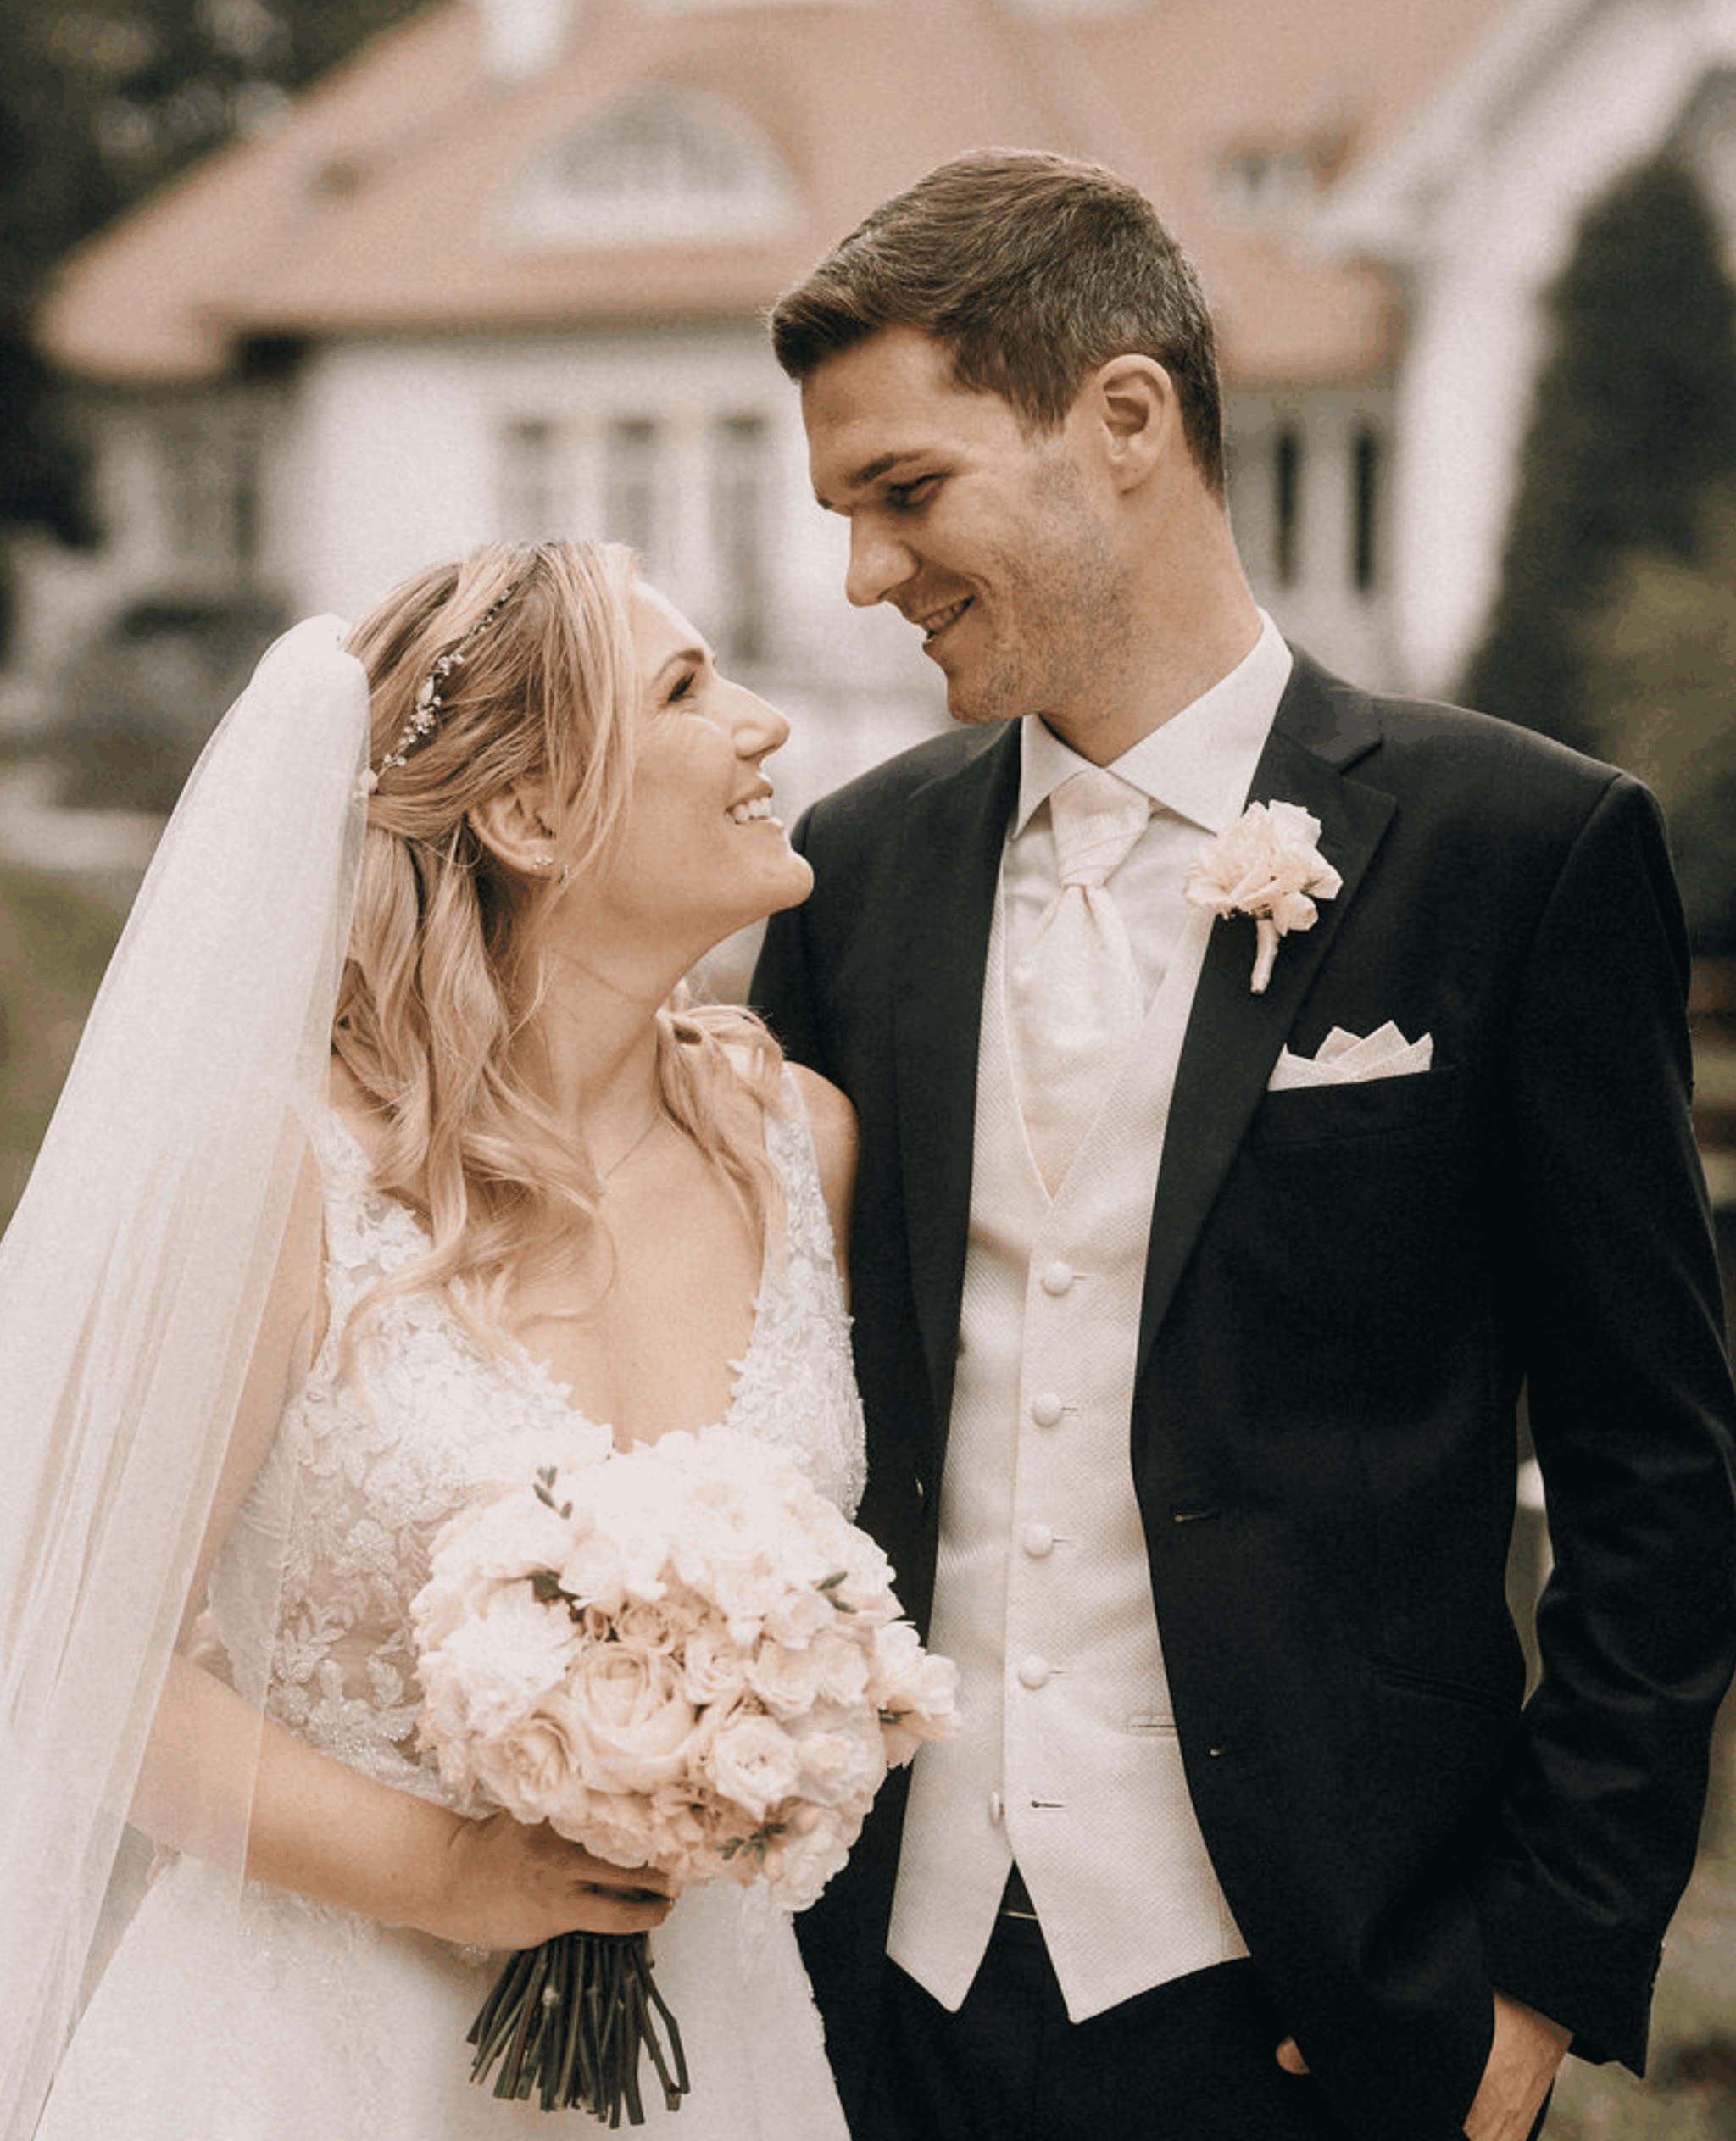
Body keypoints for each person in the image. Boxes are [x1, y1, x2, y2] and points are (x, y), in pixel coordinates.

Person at [749, 148, 1736, 2141]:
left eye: (906, 491)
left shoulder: (1516, 854)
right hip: (874, 1998)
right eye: (844, 512)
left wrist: (1535, 1968)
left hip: (1316, 2014)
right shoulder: (846, 876)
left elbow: (1656, 1464)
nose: (865, 573)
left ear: (1124, 417)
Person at [0, 540, 862, 2141]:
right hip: (318, 2055)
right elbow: (74, 1667)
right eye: (685, 689)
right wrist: (450, 1872)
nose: (764, 726)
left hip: (709, 2048)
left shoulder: (794, 1144)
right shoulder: (284, 1177)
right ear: (531, 818)